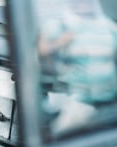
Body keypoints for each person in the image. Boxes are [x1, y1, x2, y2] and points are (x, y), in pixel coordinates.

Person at [37, 0, 117, 134]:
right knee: (62, 141)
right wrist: (61, 42)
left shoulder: (107, 25)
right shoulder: (60, 23)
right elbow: (42, 50)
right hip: (78, 101)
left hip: (109, 101)